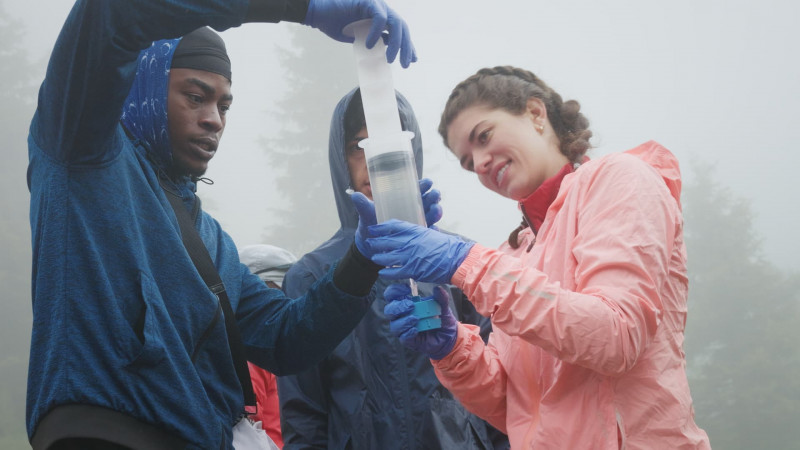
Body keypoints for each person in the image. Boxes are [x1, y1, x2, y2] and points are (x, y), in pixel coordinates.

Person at [26, 1, 417, 449]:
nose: (214, 118)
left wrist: (363, 259)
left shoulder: (208, 237)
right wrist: (301, 7)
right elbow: (113, 15)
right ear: (144, 83)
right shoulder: (82, 147)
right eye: (195, 96)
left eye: (224, 104)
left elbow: (285, 339)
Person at [351, 66, 711, 449]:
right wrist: (452, 348)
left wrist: (465, 262)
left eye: (484, 136)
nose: (481, 163)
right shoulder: (517, 252)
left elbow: (616, 335)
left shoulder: (621, 179)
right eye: (469, 162)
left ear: (536, 113)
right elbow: (515, 408)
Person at [277, 88, 509, 449]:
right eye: (359, 147)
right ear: (341, 159)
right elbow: (304, 418)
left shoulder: (459, 261)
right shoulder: (310, 277)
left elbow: (503, 394)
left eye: (390, 147)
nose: (376, 162)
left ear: (411, 155)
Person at [239, 244, 300, 448]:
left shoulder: (283, 344)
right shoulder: (250, 352)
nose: (287, 299)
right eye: (279, 289)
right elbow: (246, 425)